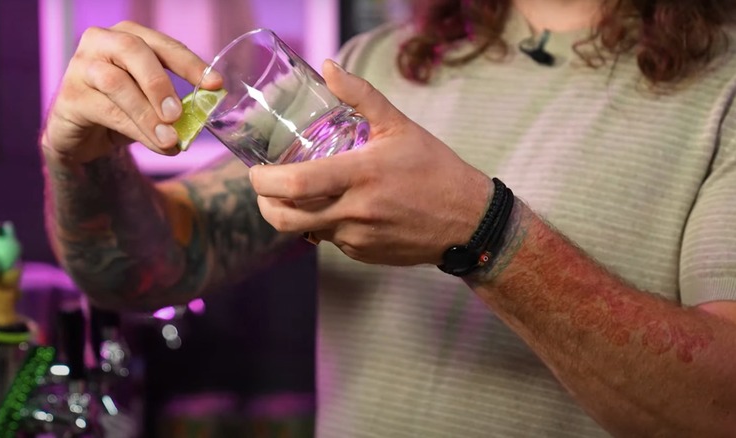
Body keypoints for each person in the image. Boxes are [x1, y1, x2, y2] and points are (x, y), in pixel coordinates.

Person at [40, 0, 736, 436]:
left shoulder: (725, 89)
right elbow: (147, 268)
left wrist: (485, 234)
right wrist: (84, 163)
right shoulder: (383, 62)